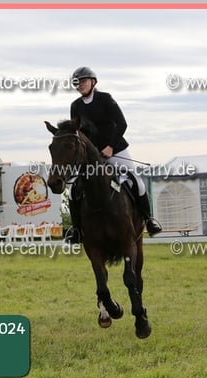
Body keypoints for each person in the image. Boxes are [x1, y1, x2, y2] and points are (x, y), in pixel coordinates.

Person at [66, 66, 162, 244]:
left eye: (83, 81)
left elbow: (122, 124)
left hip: (115, 149)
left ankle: (149, 220)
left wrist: (110, 146)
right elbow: (76, 133)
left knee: (136, 181)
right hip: (92, 157)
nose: (80, 85)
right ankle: (76, 230)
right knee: (73, 190)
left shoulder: (105, 99)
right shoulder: (75, 106)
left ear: (93, 82)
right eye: (77, 83)